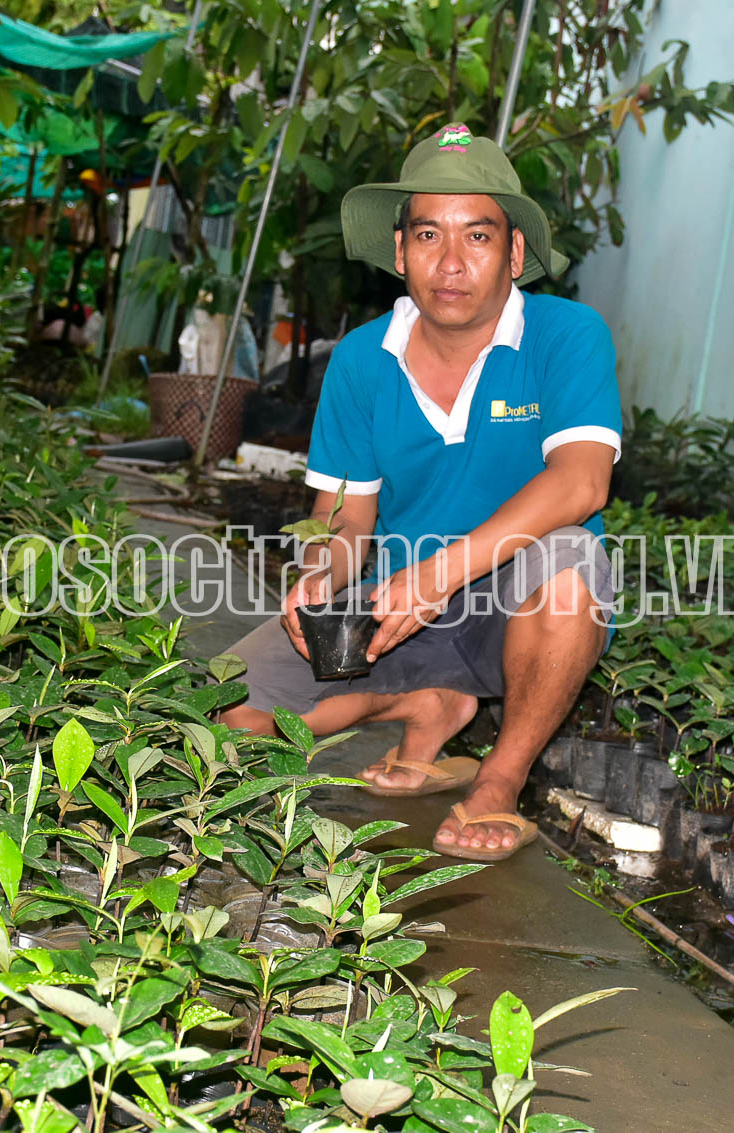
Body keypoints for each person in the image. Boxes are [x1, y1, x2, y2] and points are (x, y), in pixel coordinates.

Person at [219, 123, 622, 863]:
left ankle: (499, 778)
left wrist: (433, 578)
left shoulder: (568, 336)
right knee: (225, 721)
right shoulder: (361, 361)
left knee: (569, 561)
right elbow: (342, 522)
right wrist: (318, 582)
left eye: (479, 236)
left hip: (514, 609)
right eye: (430, 234)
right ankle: (427, 701)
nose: (452, 262)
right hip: (395, 609)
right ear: (400, 249)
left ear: (516, 253)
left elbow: (581, 480)